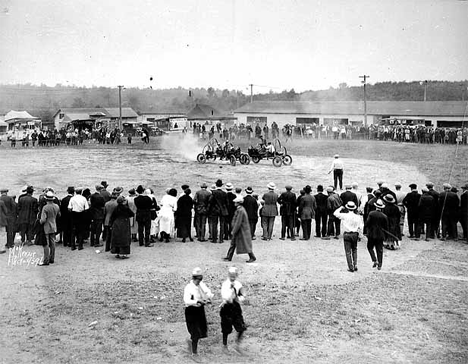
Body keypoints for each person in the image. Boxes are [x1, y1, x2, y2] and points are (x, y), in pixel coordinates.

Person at [184, 267, 214, 357]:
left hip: (200, 310)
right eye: (197, 280)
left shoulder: (201, 285)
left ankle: (191, 344)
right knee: (195, 333)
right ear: (193, 278)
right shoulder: (188, 288)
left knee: (202, 331)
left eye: (200, 279)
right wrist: (196, 302)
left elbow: (208, 292)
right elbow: (186, 300)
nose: (199, 281)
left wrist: (208, 298)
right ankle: (194, 353)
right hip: (191, 311)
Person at [220, 267, 248, 353]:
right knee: (226, 328)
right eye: (231, 275)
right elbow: (224, 295)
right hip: (227, 308)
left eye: (234, 275)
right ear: (228, 275)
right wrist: (229, 298)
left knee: (241, 327)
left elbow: (243, 295)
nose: (232, 277)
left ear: (236, 275)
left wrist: (239, 298)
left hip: (235, 308)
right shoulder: (225, 284)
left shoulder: (238, 285)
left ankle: (237, 345)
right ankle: (224, 345)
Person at [223, 196, 257, 263]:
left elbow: (238, 222)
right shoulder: (241, 209)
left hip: (241, 230)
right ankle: (229, 256)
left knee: (243, 244)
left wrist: (233, 231)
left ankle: (252, 256)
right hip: (241, 230)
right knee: (234, 243)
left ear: (238, 203)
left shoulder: (240, 210)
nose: (234, 203)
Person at [333, 201, 363, 272]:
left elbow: (335, 213)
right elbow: (361, 226)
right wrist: (360, 235)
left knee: (348, 251)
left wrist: (340, 208)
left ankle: (350, 267)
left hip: (347, 234)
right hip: (355, 234)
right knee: (355, 250)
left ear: (347, 207)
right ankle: (355, 264)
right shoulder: (358, 217)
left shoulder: (345, 215)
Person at [39, 191, 61, 266]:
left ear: (46, 199)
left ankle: (46, 260)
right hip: (53, 225)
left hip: (46, 227)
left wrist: (40, 222)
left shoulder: (45, 207)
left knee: (46, 244)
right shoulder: (56, 206)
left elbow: (43, 219)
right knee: (53, 243)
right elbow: (59, 215)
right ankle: (52, 258)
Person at [366, 199, 389, 270]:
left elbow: (367, 223)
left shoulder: (371, 213)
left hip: (372, 233)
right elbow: (386, 227)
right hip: (380, 234)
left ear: (376, 206)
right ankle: (380, 264)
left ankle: (374, 259)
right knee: (379, 249)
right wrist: (386, 236)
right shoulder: (384, 216)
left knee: (370, 247)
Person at [207, 179, 229, 244]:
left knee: (214, 224)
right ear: (221, 185)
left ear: (216, 185)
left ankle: (214, 239)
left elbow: (210, 201)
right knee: (222, 225)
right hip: (222, 210)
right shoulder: (224, 193)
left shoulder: (214, 193)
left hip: (215, 210)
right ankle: (221, 239)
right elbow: (227, 203)